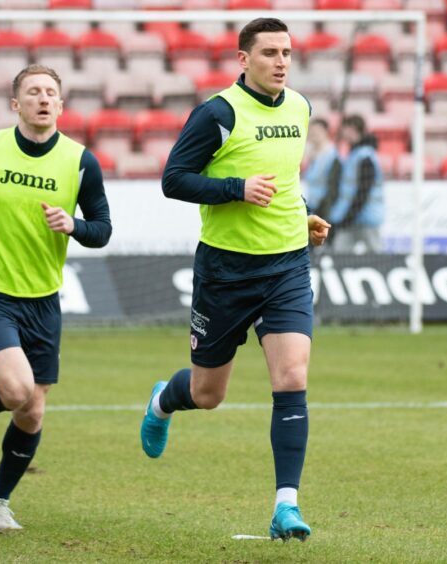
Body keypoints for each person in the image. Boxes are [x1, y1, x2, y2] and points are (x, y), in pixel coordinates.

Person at [138, 18, 331, 542]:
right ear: (243, 60)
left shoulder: (301, 108)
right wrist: (235, 188)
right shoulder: (218, 113)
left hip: (286, 266)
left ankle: (285, 506)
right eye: (269, 52)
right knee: (207, 393)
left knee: (292, 378)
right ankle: (163, 400)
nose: (281, 61)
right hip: (225, 272)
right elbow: (174, 179)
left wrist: (303, 215)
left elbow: (286, 178)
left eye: (287, 52)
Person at [0, 64, 112, 533]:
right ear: (16, 104)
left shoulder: (80, 162)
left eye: (50, 92)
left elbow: (103, 229)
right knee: (14, 391)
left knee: (32, 410)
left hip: (43, 299)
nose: (42, 99)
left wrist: (75, 225)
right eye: (32, 92)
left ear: (60, 103)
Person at [329, 114, 384, 254]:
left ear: (353, 129)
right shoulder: (355, 154)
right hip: (352, 216)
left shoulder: (365, 156)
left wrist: (348, 216)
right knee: (340, 252)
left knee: (376, 254)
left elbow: (363, 191)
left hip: (364, 217)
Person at [303, 117, 341, 227]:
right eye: (312, 131)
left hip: (325, 207)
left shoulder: (332, 155)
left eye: (317, 131)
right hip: (312, 204)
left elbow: (333, 185)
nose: (314, 134)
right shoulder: (309, 153)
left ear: (325, 132)